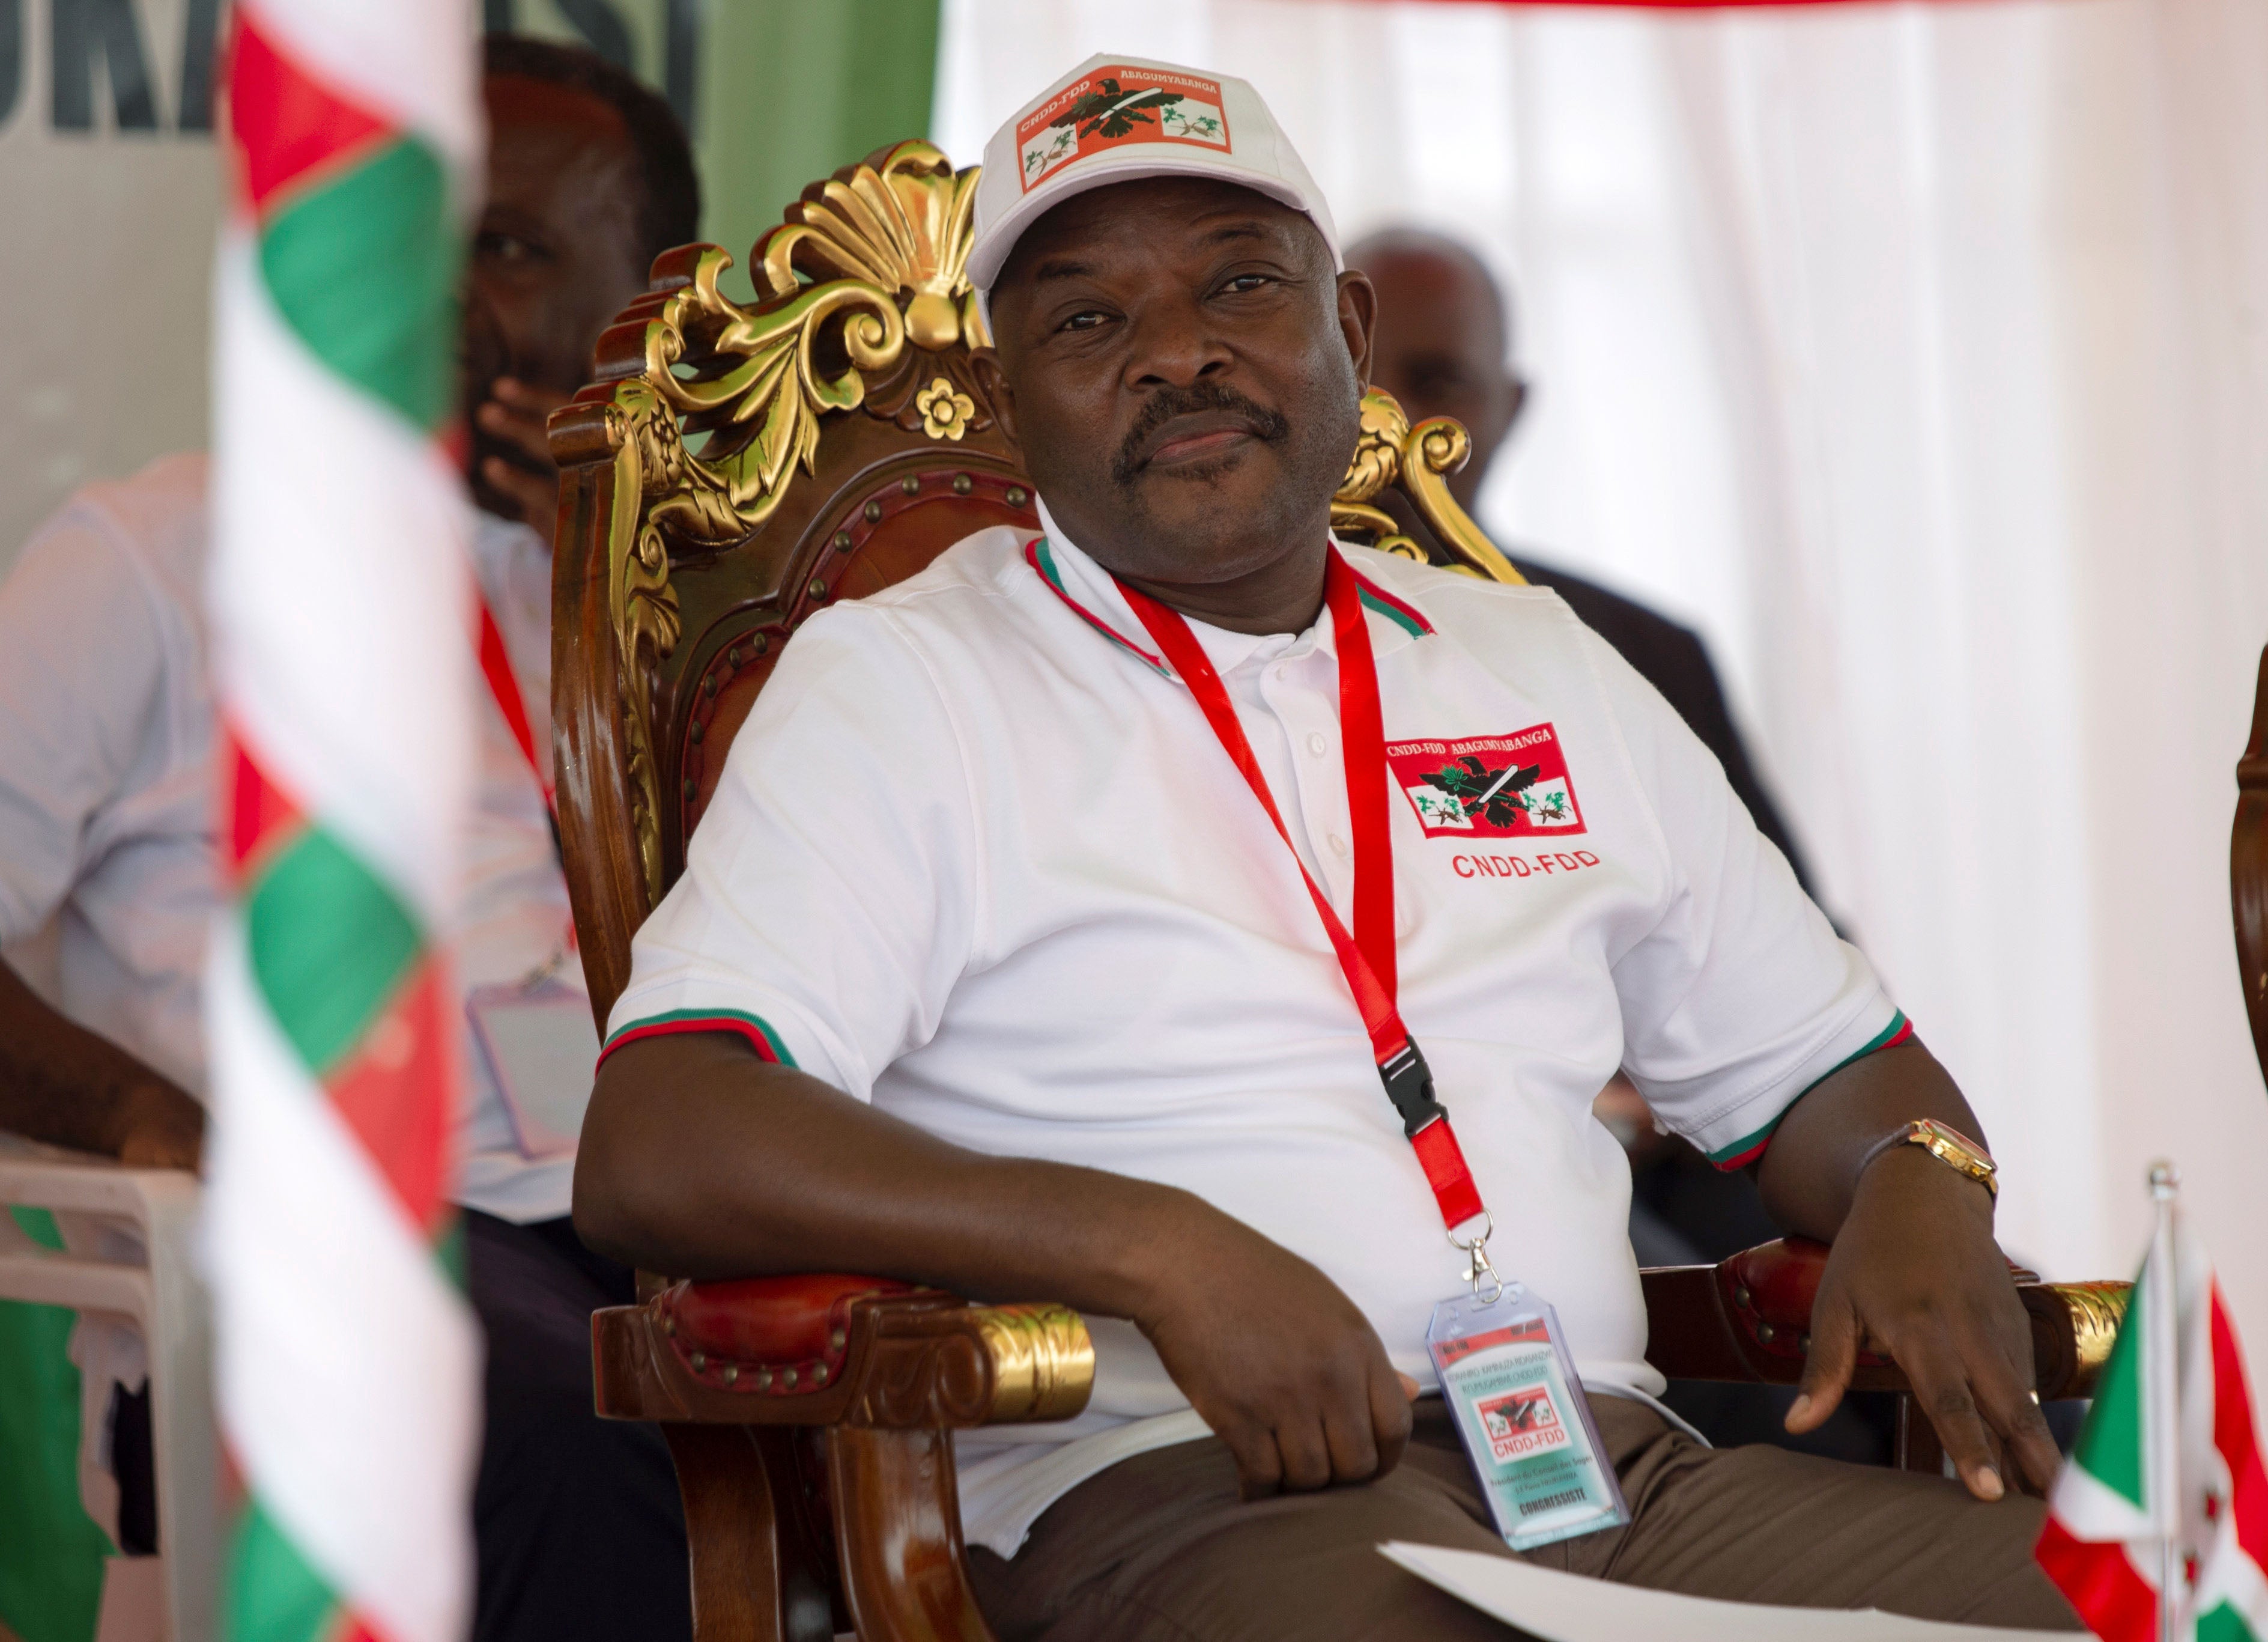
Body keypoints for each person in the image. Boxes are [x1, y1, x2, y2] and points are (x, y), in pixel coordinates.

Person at [575, 52, 2076, 1642]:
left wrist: (1923, 1183)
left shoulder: (1539, 660)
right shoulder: (908, 682)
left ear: (1347, 333)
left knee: (2167, 1601)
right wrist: (1149, 1245)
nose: (1177, 352)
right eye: (1088, 319)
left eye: (1240, 282)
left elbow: (1838, 1074)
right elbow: (666, 1134)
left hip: (1614, 1474)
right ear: (1011, 400)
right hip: (1180, 1485)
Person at [0, 37, 699, 1642]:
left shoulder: (679, 591)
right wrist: (134, 1110)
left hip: (667, 1204)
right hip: (345, 1238)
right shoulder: (162, 553)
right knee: (570, 1431)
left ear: (652, 309)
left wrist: (626, 570)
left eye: (510, 248)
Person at [1347, 228, 1818, 898]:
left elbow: (1789, 951)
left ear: (1511, 410)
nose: (1384, 416)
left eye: (1436, 380)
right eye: (1350, 372)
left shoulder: (1642, 657)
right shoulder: (1206, 640)